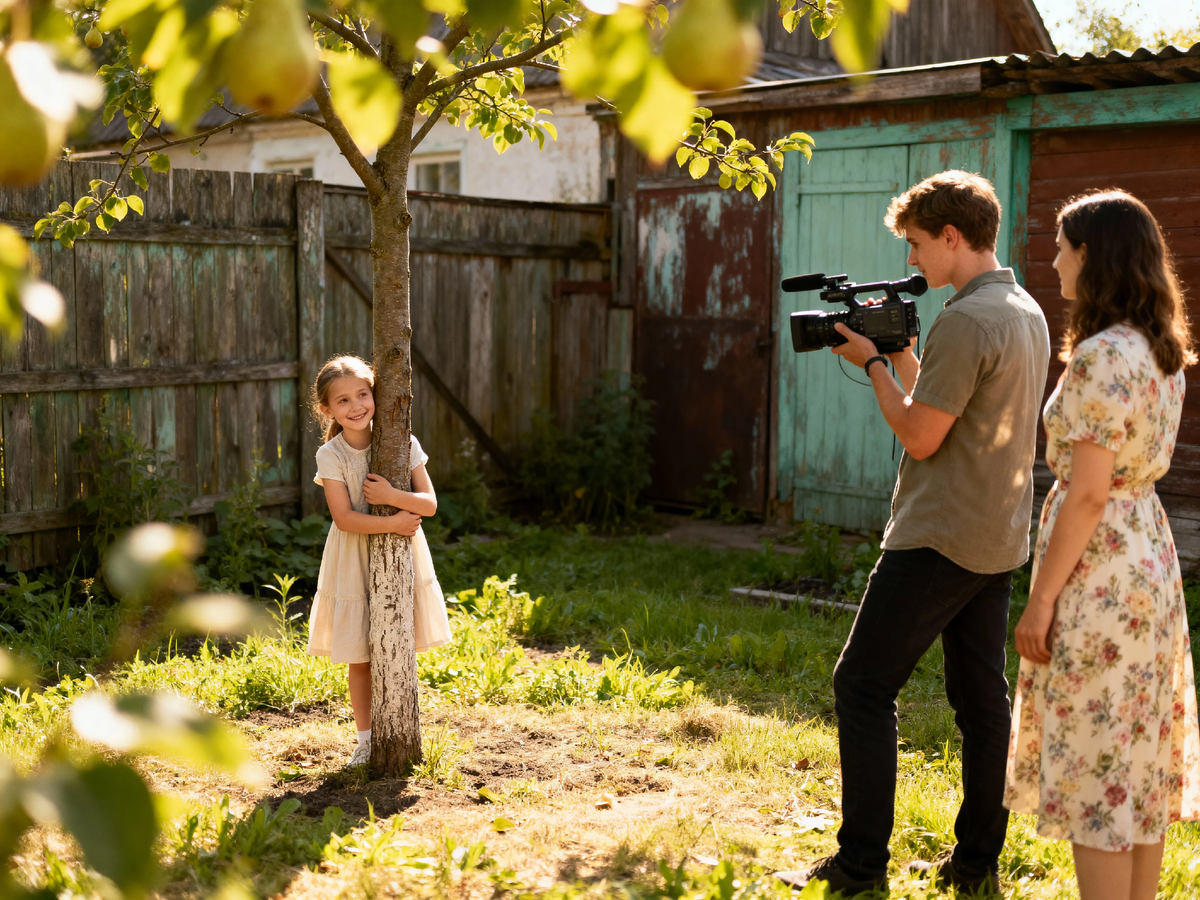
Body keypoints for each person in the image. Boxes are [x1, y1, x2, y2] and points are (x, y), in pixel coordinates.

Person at [775, 170, 1050, 896]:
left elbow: (923, 435)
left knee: (862, 685)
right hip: (996, 534)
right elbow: (954, 404)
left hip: (938, 535)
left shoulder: (966, 320)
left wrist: (871, 364)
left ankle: (860, 866)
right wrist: (901, 356)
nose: (911, 261)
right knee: (982, 703)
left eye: (918, 244)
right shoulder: (1022, 309)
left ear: (952, 237)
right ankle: (976, 864)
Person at [1004, 191, 1200, 900]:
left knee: (1097, 768)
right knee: (1134, 764)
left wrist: (1041, 602)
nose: (1054, 262)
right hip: (1147, 556)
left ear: (1090, 255)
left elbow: (1088, 493)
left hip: (1101, 568)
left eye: (1061, 249)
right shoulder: (1159, 352)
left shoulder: (1100, 356)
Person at [307, 354, 451, 768]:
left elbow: (429, 504)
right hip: (352, 555)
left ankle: (403, 728)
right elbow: (344, 518)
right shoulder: (330, 455)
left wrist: (391, 497)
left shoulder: (403, 442)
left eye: (362, 395)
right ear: (327, 410)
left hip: (402, 554)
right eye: (343, 400)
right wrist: (393, 523)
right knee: (360, 654)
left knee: (397, 643)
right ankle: (366, 741)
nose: (355, 406)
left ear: (376, 395)